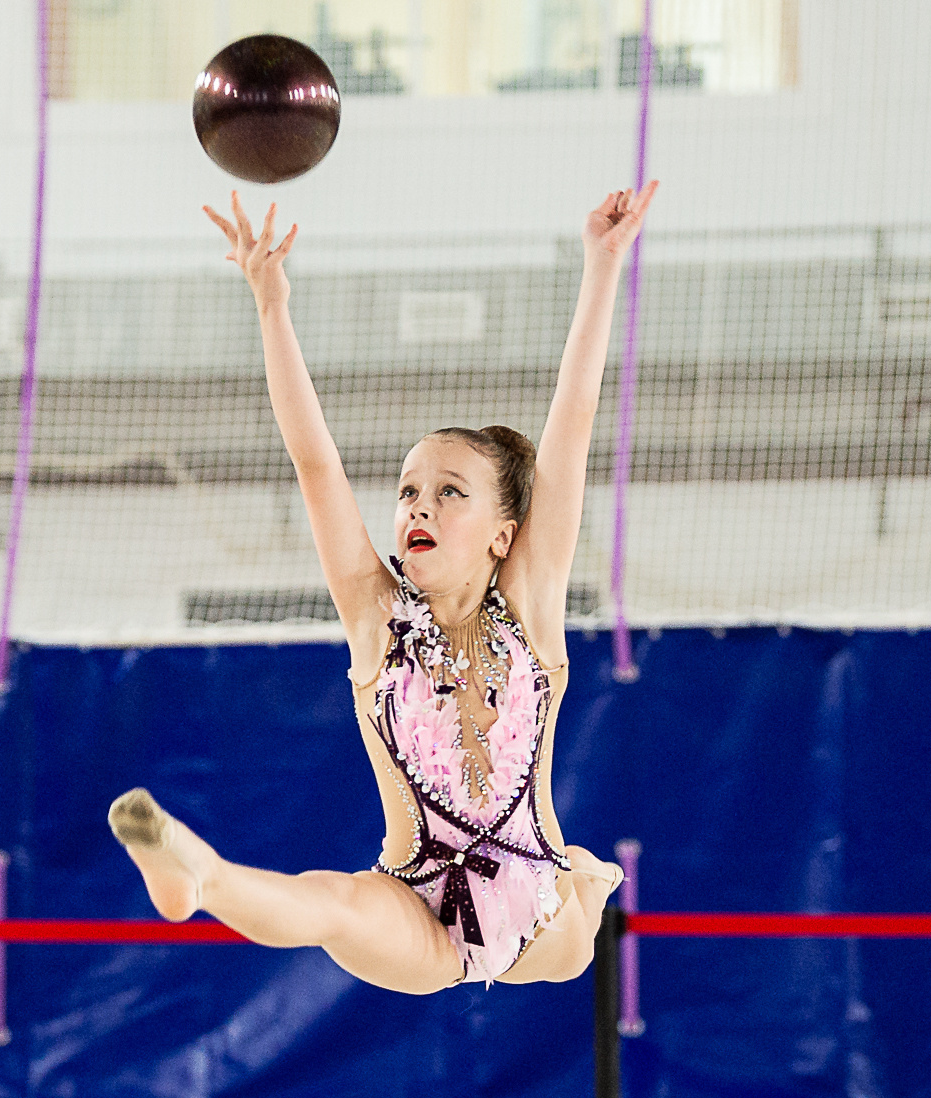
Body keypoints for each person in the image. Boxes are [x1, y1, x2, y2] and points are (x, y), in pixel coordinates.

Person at [109, 182, 658, 994]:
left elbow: (571, 425)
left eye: (448, 492)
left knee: (581, 916)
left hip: (543, 914)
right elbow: (316, 460)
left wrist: (602, 265)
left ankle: (585, 877)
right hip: (419, 907)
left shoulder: (531, 609)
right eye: (407, 492)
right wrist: (270, 304)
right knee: (332, 904)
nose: (418, 506)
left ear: (503, 535)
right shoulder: (375, 614)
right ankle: (200, 874)